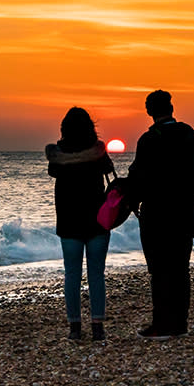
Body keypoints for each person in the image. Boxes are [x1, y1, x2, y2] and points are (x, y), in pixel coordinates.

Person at [126, 90, 194, 340]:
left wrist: (130, 198)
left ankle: (161, 324)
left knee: (160, 270)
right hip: (184, 212)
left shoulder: (149, 139)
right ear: (171, 108)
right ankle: (180, 324)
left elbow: (139, 177)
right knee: (180, 269)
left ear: (150, 111)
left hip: (157, 213)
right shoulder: (192, 136)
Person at [46, 107, 115, 341]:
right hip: (97, 219)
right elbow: (109, 170)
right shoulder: (98, 151)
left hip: (69, 220)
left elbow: (53, 171)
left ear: (64, 128)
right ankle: (97, 327)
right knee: (97, 274)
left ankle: (75, 328)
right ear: (90, 127)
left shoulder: (58, 153)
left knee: (72, 274)